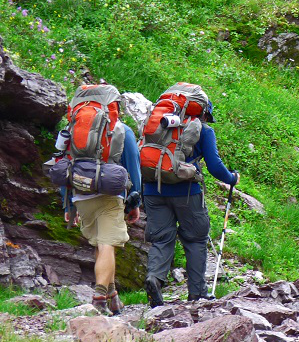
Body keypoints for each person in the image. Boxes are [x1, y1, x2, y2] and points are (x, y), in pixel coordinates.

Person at [143, 98, 239, 307]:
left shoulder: (159, 124)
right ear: (204, 113)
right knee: (195, 239)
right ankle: (197, 293)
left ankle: (155, 278)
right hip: (187, 192)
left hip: (153, 189)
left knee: (161, 239)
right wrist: (232, 178)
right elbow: (214, 165)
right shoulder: (203, 130)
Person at [68, 122, 141, 316]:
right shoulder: (121, 129)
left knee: (101, 245)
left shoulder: (76, 126)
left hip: (80, 192)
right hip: (110, 195)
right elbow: (133, 162)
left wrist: (68, 204)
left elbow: (64, 162)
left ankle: (113, 296)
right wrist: (135, 200)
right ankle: (100, 298)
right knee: (108, 244)